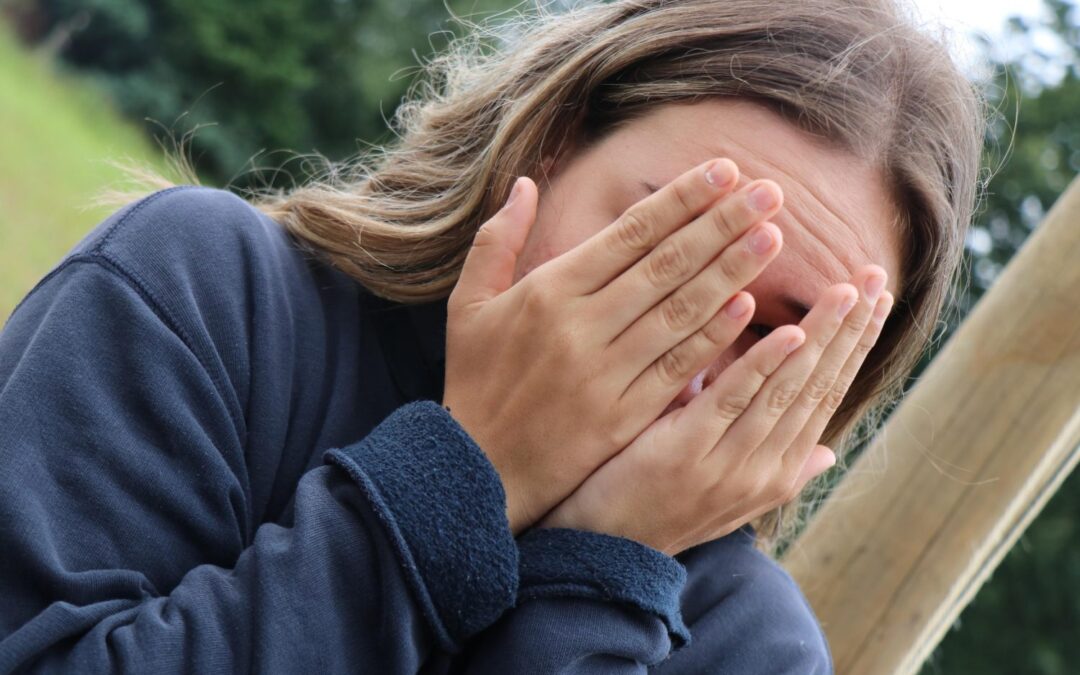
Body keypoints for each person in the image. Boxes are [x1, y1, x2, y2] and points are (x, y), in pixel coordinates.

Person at [0, 0, 983, 672]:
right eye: (674, 251)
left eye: (777, 334)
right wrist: (465, 477)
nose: (692, 355)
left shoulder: (752, 646)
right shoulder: (210, 292)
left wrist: (603, 573)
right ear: (550, 146)